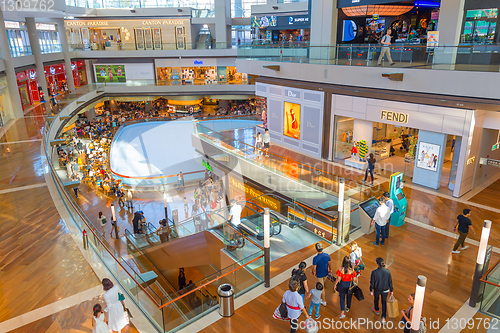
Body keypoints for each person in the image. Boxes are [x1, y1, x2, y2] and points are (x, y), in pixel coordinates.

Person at [370, 257, 394, 323]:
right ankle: (383, 317)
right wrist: (391, 290)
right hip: (385, 290)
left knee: (376, 299)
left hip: (377, 290)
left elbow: (372, 282)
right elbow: (390, 282)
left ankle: (376, 309)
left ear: (377, 264)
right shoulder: (388, 272)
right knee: (384, 303)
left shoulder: (374, 272)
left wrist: (371, 290)